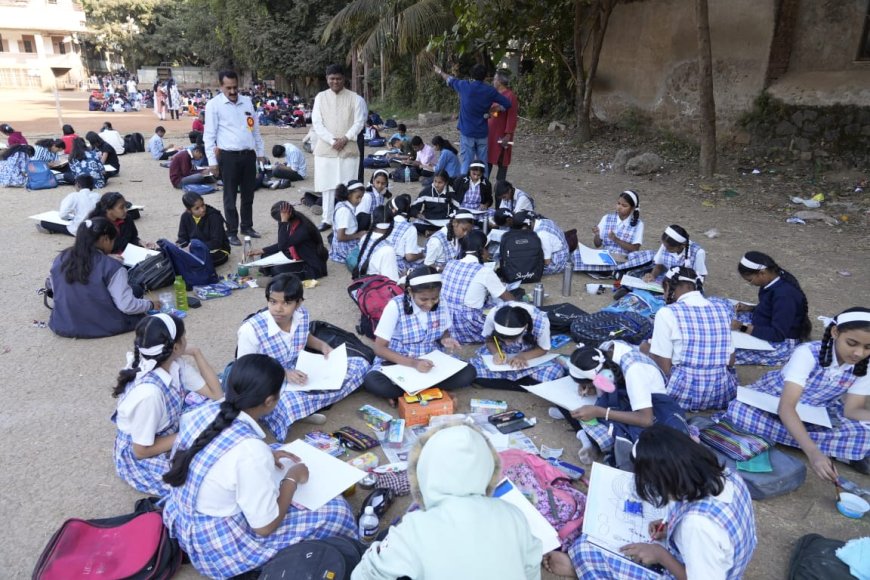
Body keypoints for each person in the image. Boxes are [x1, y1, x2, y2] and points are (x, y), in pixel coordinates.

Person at [162, 354, 358, 579]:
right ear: (269, 401)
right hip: (217, 546)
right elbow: (264, 527)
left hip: (185, 518)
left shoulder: (204, 412)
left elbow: (214, 451)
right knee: (336, 511)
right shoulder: (251, 451)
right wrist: (291, 480)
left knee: (274, 448)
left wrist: (267, 454)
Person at [545, 425, 757, 580]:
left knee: (585, 550)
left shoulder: (697, 525)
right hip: (717, 563)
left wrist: (661, 556)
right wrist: (669, 527)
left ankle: (578, 569)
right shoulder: (725, 476)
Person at [352, 423, 542, 580]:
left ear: (424, 472)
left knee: (355, 549)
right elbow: (531, 569)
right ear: (488, 470)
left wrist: (379, 550)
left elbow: (362, 576)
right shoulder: (513, 515)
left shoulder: (413, 528)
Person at [722, 307, 870, 477]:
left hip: (819, 412)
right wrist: (813, 453)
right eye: (851, 343)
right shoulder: (807, 353)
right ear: (835, 332)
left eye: (868, 347)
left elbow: (852, 410)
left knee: (865, 431)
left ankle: (794, 439)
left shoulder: (865, 364)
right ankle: (833, 449)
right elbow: (786, 407)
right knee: (741, 410)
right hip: (777, 404)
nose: (859, 353)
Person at [236, 274, 369, 440]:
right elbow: (244, 370)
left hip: (300, 370)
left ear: (298, 303)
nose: (278, 309)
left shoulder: (302, 314)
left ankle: (305, 408)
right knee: (284, 403)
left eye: (286, 303)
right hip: (266, 380)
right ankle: (303, 408)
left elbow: (304, 336)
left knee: (360, 364)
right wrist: (283, 372)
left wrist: (322, 346)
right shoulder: (250, 329)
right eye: (273, 302)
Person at [112, 314, 222, 496]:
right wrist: (189, 434)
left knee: (217, 411)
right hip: (144, 454)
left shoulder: (173, 363)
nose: (186, 339)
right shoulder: (150, 394)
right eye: (184, 336)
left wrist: (197, 353)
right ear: (176, 347)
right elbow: (140, 451)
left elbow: (216, 394)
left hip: (165, 431)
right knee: (207, 484)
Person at [363, 267, 476, 401]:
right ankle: (431, 391)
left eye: (434, 298)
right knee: (374, 381)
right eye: (423, 299)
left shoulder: (442, 302)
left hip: (431, 361)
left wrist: (445, 339)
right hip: (401, 360)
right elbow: (379, 348)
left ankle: (409, 393)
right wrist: (414, 363)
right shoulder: (395, 306)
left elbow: (444, 331)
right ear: (410, 291)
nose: (429, 304)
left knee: (469, 372)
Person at [565, 343, 687, 467]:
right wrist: (588, 385)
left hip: (654, 409)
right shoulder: (605, 351)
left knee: (603, 423)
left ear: (602, 375)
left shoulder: (634, 371)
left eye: (589, 383)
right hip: (631, 397)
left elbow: (646, 420)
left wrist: (600, 412)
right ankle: (590, 439)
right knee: (591, 410)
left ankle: (594, 442)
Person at [644, 267, 736, 411]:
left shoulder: (667, 312)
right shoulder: (722, 308)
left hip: (681, 394)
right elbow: (730, 361)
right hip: (721, 392)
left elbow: (664, 368)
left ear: (667, 286)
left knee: (642, 350)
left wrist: (648, 351)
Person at [48, 218, 156, 338]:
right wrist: (151, 304)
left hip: (63, 323)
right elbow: (127, 306)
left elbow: (55, 289)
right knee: (136, 290)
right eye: (113, 240)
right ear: (105, 239)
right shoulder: (112, 266)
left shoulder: (60, 258)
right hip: (102, 325)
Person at [204, 70, 267, 246]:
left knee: (248, 195)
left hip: (248, 156)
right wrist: (212, 162)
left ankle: (247, 226)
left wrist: (260, 153)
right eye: (228, 88)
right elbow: (209, 136)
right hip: (228, 157)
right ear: (221, 86)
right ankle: (231, 231)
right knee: (230, 197)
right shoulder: (214, 105)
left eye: (235, 87)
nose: (232, 91)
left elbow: (255, 130)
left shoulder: (247, 102)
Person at [730, 251, 812, 366]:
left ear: (762, 273)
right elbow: (771, 308)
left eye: (750, 280)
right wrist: (751, 308)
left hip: (779, 344)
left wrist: (742, 327)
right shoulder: (773, 279)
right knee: (726, 310)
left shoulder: (784, 295)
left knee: (725, 350)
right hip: (766, 325)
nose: (750, 284)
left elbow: (777, 334)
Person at [311, 64, 366, 232]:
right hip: (326, 149)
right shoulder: (320, 97)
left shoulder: (355, 98)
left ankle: (347, 218)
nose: (335, 81)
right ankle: (327, 219)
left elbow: (359, 122)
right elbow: (317, 122)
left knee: (348, 186)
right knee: (327, 186)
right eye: (332, 78)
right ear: (327, 79)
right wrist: (331, 140)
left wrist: (345, 138)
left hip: (348, 147)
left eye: (338, 78)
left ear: (344, 79)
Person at [433, 63, 512, 176]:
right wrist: (494, 109)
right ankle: (484, 185)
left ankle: (464, 185)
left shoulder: (464, 85)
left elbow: (450, 79)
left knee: (466, 162)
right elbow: (507, 104)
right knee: (483, 163)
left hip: (467, 132)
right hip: (482, 133)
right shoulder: (490, 90)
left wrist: (440, 72)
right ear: (485, 76)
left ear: (472, 75)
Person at [471, 302, 565, 390]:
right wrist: (496, 352)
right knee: (472, 370)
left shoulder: (541, 320)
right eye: (503, 338)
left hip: (530, 355)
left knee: (554, 372)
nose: (507, 343)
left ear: (525, 327)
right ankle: (526, 384)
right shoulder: (493, 315)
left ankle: (502, 382)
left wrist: (523, 356)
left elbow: (543, 348)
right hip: (502, 352)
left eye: (511, 339)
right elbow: (489, 340)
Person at [441, 230, 512, 344]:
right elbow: (508, 299)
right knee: (505, 314)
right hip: (468, 326)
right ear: (483, 250)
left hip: (446, 323)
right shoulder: (484, 271)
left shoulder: (450, 264)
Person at [572, 189, 653, 274]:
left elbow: (635, 249)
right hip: (605, 258)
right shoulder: (607, 218)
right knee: (576, 254)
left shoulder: (639, 224)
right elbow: (597, 244)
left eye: (624, 205)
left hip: (625, 261)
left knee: (650, 255)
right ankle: (614, 271)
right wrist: (597, 235)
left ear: (632, 208)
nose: (619, 207)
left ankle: (609, 271)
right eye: (618, 203)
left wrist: (616, 239)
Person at [248, 202, 328, 280]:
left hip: (311, 266)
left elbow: (283, 245)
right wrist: (262, 250)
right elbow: (285, 242)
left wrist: (283, 222)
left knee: (277, 270)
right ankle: (269, 271)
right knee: (265, 255)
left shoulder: (303, 229)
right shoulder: (294, 220)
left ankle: (271, 273)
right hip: (296, 253)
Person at [88, 191, 154, 254]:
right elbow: (90, 251)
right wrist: (107, 257)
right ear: (108, 210)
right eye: (121, 208)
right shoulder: (97, 226)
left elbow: (133, 237)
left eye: (125, 206)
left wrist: (140, 241)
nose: (126, 210)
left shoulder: (127, 219)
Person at [176, 191, 231, 267]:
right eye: (197, 208)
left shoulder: (214, 217)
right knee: (177, 256)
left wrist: (193, 247)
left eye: (203, 205)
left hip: (218, 251)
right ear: (189, 210)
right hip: (195, 250)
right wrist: (179, 246)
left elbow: (216, 243)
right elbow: (182, 237)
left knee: (193, 260)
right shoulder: (185, 217)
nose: (202, 209)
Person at [512, 210, 569, 275]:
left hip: (557, 261)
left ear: (525, 226)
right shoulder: (543, 221)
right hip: (562, 250)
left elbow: (547, 261)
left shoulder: (541, 235)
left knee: (525, 269)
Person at [487, 71, 519, 181]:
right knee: (487, 159)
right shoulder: (494, 94)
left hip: (501, 134)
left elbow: (512, 117)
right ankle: (484, 184)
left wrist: (508, 134)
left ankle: (500, 186)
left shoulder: (510, 96)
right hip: (490, 133)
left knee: (502, 160)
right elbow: (492, 112)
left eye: (495, 79)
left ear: (500, 81)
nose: (493, 81)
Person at [383, 194, 424, 274]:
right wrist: (422, 254)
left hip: (382, 258)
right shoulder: (410, 228)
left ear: (394, 210)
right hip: (395, 265)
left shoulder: (386, 221)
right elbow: (409, 257)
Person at [412, 170, 461, 235]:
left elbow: (458, 209)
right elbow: (414, 208)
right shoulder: (426, 191)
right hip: (429, 220)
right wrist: (418, 215)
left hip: (445, 221)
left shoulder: (451, 192)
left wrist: (452, 218)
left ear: (446, 182)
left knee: (456, 227)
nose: (436, 185)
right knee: (414, 225)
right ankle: (438, 232)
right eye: (435, 181)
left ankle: (432, 232)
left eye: (440, 182)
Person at [353, 214, 400, 281]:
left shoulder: (365, 237)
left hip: (363, 279)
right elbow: (391, 280)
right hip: (375, 284)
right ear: (391, 226)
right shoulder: (388, 250)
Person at [328, 181, 366, 264]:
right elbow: (340, 237)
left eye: (361, 197)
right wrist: (358, 235)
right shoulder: (345, 211)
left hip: (341, 245)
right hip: (344, 248)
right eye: (358, 197)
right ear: (349, 195)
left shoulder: (342, 204)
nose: (359, 200)